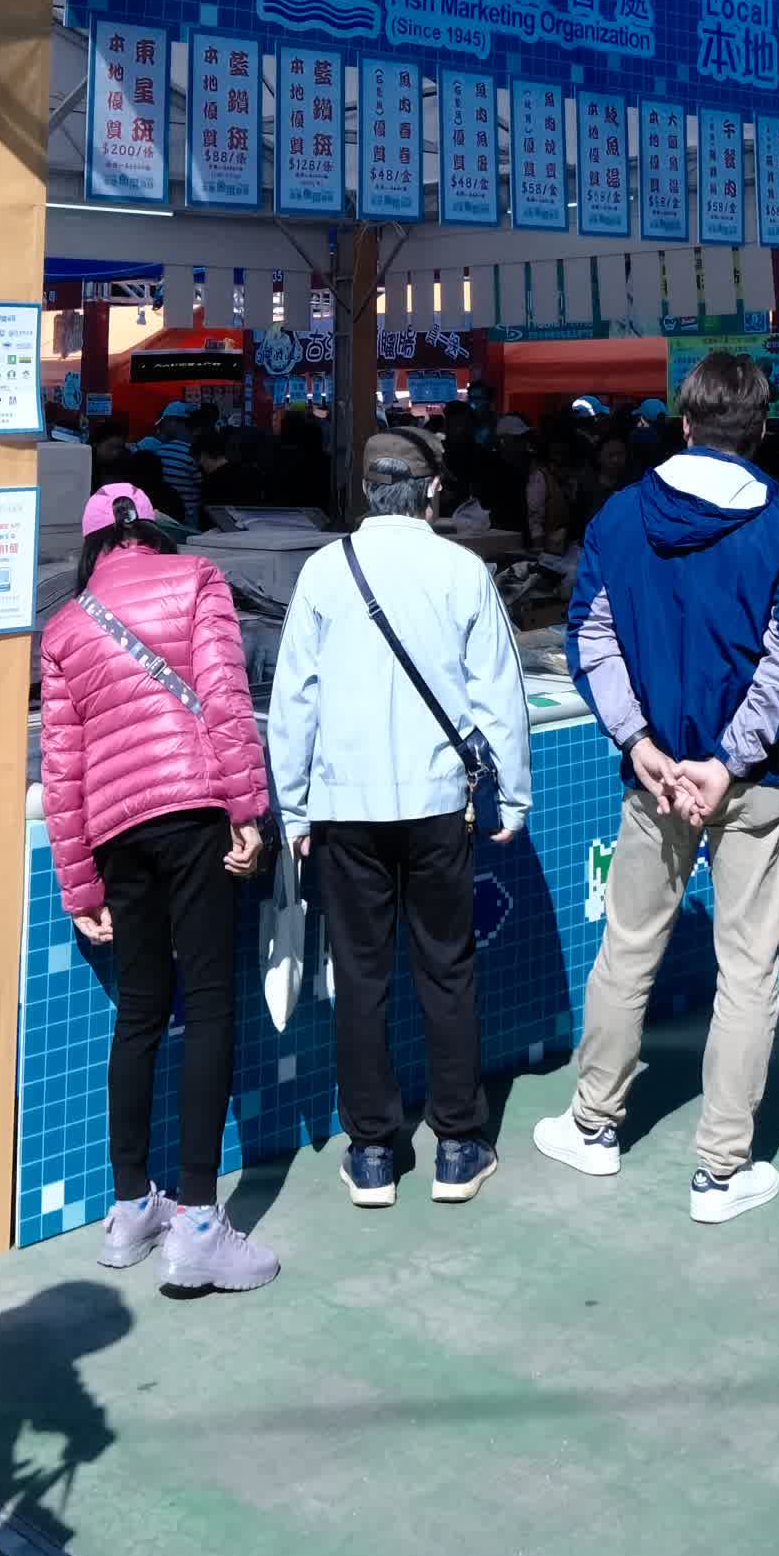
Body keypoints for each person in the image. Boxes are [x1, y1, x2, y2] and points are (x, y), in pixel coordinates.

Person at [542, 349, 779, 1224]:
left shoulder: (621, 518)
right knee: (747, 971)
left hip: (659, 777)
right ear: (760, 430)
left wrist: (640, 745)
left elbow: (590, 634)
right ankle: (720, 1168)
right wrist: (729, 760)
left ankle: (594, 1123)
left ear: (687, 422)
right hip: (747, 782)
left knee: (628, 949)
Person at [266, 426, 532, 1207]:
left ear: (363, 491)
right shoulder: (461, 570)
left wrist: (291, 805)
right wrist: (512, 796)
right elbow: (500, 697)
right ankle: (458, 1143)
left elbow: (294, 702)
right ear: (431, 493)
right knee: (447, 967)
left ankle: (373, 1151)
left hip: (344, 807)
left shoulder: (322, 572)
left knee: (362, 972)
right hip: (437, 801)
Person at [41, 483, 277, 1295]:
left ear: (94, 546)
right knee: (208, 1003)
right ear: (155, 534)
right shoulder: (197, 580)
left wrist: (79, 887)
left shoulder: (66, 625)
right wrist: (248, 809)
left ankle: (131, 1207)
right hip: (192, 815)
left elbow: (61, 767)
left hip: (116, 835)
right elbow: (226, 698)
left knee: (140, 1012)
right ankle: (201, 1224)